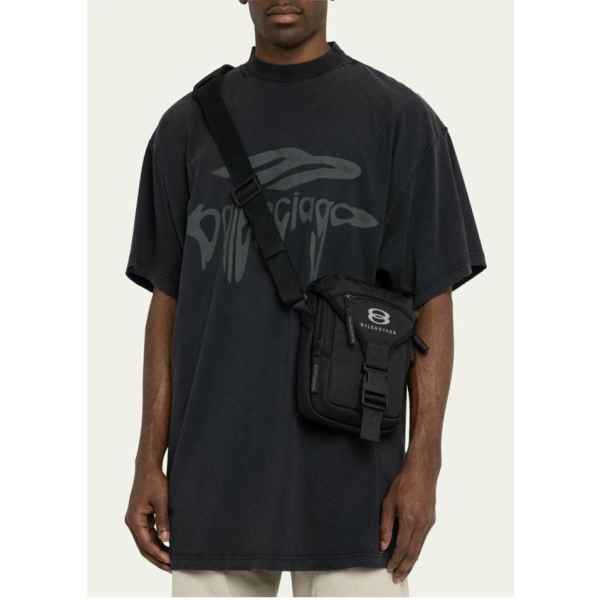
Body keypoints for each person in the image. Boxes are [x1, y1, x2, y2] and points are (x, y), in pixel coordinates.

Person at [124, 0, 486, 596]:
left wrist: (425, 463)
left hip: (359, 488)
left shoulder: (401, 121)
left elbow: (432, 301)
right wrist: (147, 460)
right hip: (213, 478)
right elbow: (167, 304)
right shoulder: (185, 127)